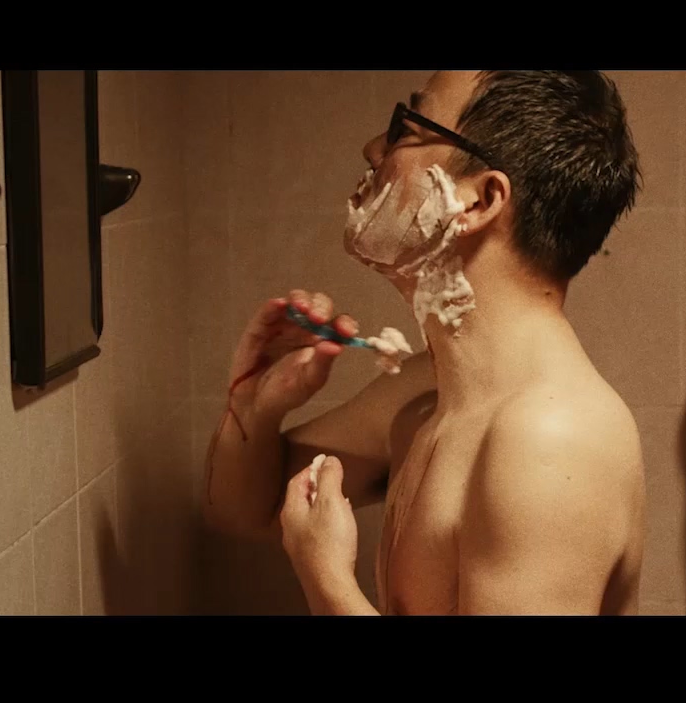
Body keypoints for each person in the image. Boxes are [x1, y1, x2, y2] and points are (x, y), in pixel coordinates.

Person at [202, 70, 646, 615]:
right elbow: (241, 510)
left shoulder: (550, 441)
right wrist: (255, 407)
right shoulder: (425, 395)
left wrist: (327, 581)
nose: (373, 149)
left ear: (479, 200)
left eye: (407, 129)